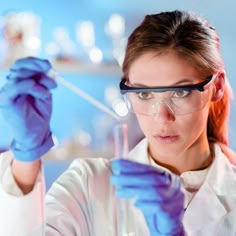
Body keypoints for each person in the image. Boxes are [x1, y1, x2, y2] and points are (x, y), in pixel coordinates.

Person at [0, 9, 235, 236]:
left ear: (216, 87)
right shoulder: (88, 184)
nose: (162, 116)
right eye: (144, 94)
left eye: (180, 92)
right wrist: (26, 158)